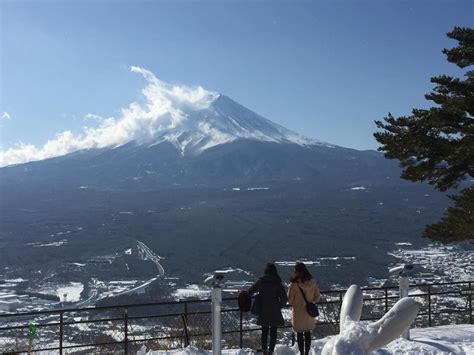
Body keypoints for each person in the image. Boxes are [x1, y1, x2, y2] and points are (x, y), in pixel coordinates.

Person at [248, 263, 288, 354]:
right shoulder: (277, 282)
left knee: (264, 331)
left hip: (263, 309)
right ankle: (271, 351)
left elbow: (250, 291)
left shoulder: (261, 281)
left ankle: (264, 350)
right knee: (273, 331)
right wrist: (279, 305)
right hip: (275, 310)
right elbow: (284, 298)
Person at [287, 262, 320, 355]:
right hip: (309, 313)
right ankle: (307, 353)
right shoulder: (312, 283)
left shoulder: (293, 285)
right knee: (308, 333)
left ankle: (301, 353)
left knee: (300, 334)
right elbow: (317, 297)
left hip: (298, 313)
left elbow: (289, 300)